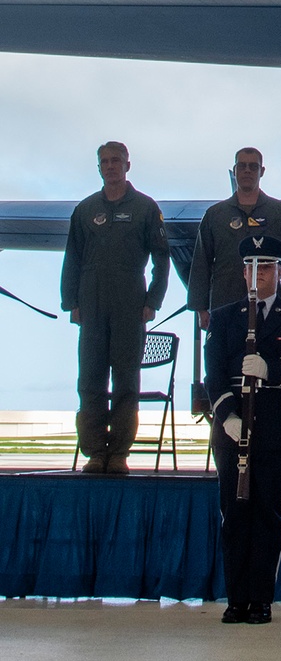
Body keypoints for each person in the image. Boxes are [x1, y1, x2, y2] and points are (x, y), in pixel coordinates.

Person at [205, 234, 281, 625]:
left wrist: (271, 370)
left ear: (280, 272)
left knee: (268, 516)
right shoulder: (224, 318)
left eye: (267, 267)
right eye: (252, 267)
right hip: (233, 430)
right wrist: (227, 417)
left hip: (275, 430)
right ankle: (236, 599)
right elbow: (213, 375)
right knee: (235, 515)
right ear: (243, 272)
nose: (259, 275)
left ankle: (261, 599)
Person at [60, 141, 170, 474]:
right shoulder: (85, 210)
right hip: (91, 304)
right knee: (90, 379)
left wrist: (152, 301)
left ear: (127, 165)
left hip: (129, 303)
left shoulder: (146, 208)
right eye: (105, 162)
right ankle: (95, 452)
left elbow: (161, 258)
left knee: (126, 381)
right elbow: (72, 258)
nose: (110, 166)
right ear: (99, 167)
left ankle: (119, 452)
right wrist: (71, 302)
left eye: (116, 161)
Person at [188, 147, 281, 328]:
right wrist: (201, 308)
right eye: (242, 166)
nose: (247, 171)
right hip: (224, 305)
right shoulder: (215, 215)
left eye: (253, 166)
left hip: (270, 309)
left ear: (262, 171)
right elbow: (201, 262)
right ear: (234, 170)